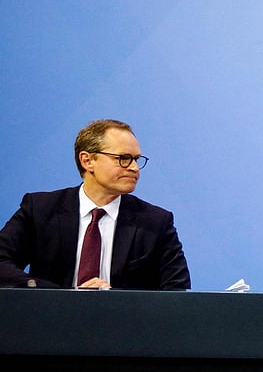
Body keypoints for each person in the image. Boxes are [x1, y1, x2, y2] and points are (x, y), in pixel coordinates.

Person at [0, 119, 190, 290]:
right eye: (123, 159)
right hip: (49, 322)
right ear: (87, 160)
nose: (133, 168)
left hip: (123, 325)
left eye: (136, 159)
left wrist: (110, 300)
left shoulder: (156, 222)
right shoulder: (40, 209)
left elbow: (176, 291)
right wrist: (57, 295)